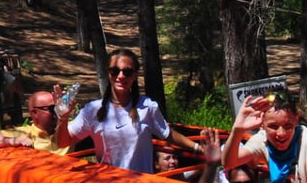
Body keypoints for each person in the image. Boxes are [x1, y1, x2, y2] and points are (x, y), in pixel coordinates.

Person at [55, 49, 200, 173]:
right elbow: (62, 142)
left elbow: (168, 134)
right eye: (115, 71)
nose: (120, 76)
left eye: (127, 72)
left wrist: (199, 149)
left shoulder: (147, 107)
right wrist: (63, 117)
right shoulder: (92, 110)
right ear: (108, 73)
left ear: (135, 75)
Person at [0, 90, 72, 154]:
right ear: (35, 113)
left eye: (59, 107)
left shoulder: (70, 129)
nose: (58, 111)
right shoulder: (24, 133)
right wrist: (13, 141)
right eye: (52, 108)